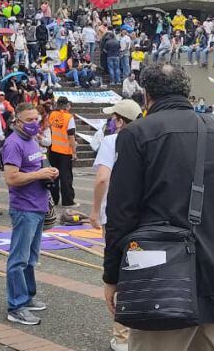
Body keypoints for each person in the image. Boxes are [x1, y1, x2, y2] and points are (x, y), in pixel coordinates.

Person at [103, 63, 214, 348]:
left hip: (162, 280)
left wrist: (113, 275)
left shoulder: (136, 133)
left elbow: (121, 213)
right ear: (186, 90)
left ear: (147, 94)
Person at [89, 98, 141, 351]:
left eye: (113, 118)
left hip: (117, 216)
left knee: (119, 273)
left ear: (120, 121)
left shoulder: (112, 141)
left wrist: (95, 210)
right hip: (144, 216)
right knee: (140, 270)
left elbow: (102, 179)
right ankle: (141, 331)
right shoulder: (146, 139)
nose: (111, 121)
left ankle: (122, 336)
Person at [3, 102, 58, 326]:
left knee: (30, 258)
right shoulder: (13, 143)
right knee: (18, 259)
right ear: (17, 122)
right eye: (29, 120)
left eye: (36, 119)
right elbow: (11, 178)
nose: (34, 123)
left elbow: (34, 168)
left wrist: (48, 172)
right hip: (24, 208)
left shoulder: (32, 140)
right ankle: (16, 306)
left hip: (37, 206)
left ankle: (27, 296)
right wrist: (39, 175)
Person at [46, 96, 78, 208]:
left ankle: (53, 200)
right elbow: (71, 136)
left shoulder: (52, 114)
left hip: (53, 150)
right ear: (67, 105)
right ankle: (68, 201)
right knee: (66, 177)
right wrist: (74, 152)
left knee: (54, 176)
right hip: (65, 151)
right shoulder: (69, 117)